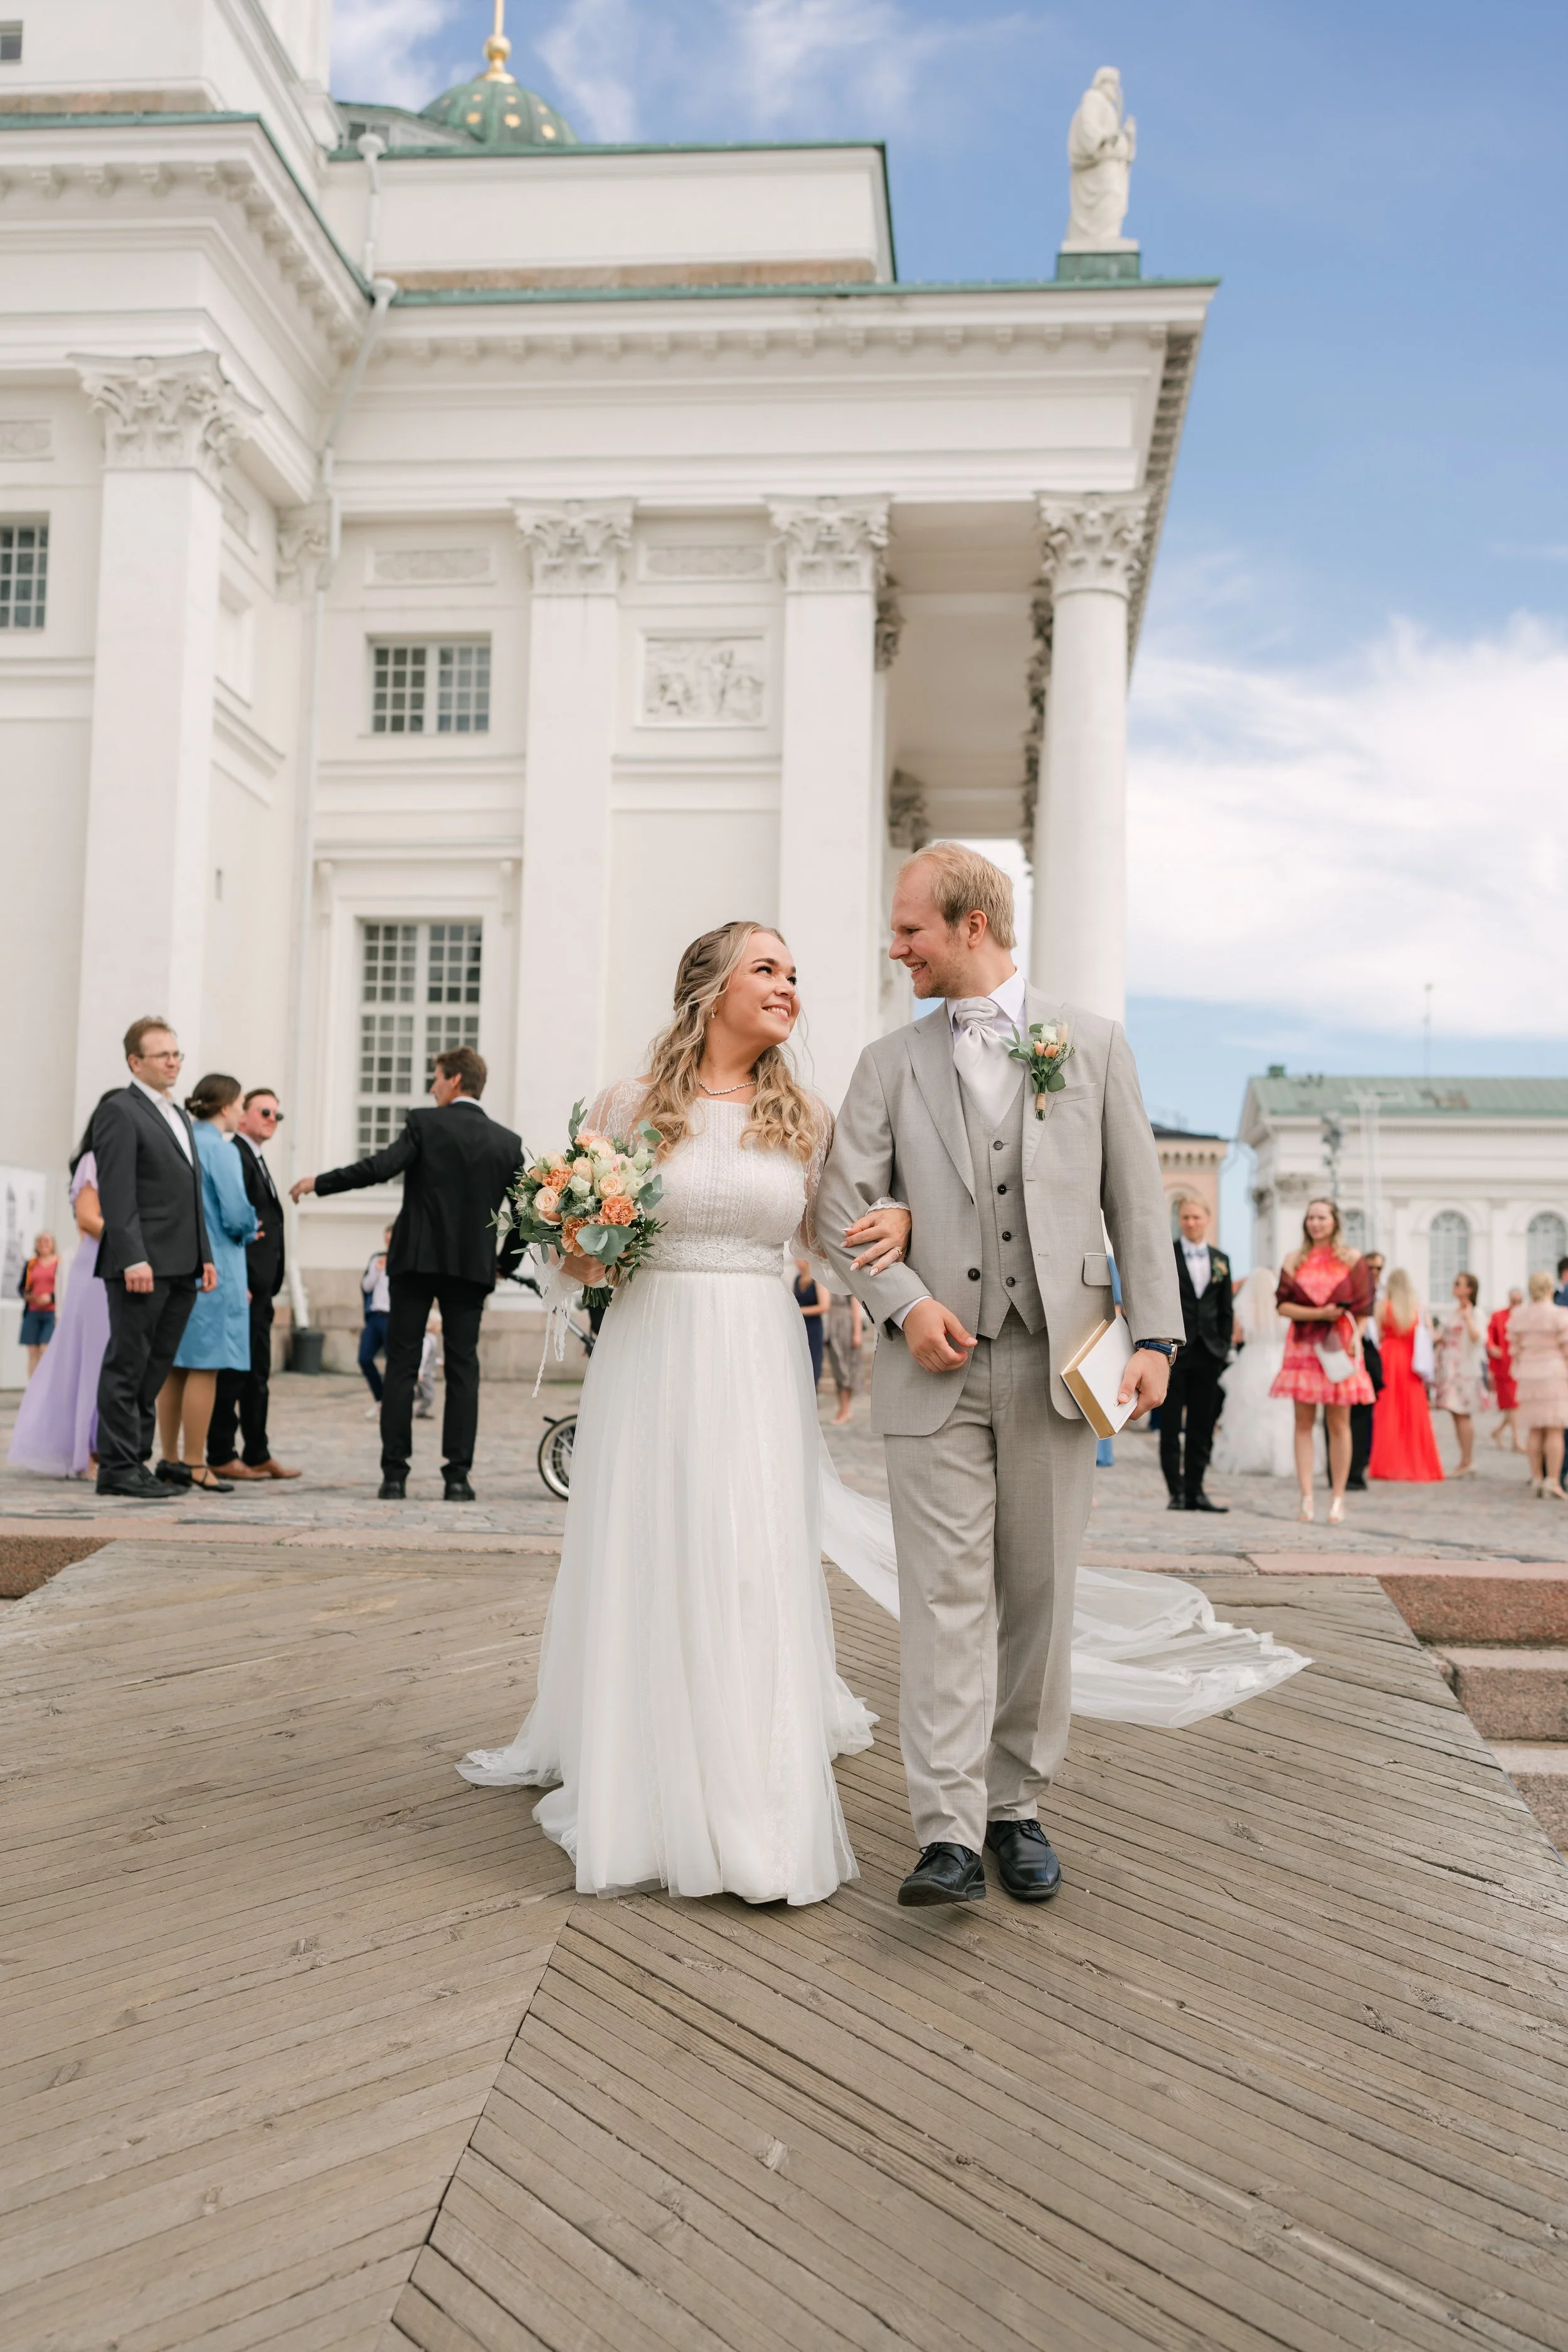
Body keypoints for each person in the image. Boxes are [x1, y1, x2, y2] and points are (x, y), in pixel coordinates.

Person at [458, 914, 1302, 1910]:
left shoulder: (805, 1116)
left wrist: (900, 1224)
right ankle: (642, 1767)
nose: (788, 986)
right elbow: (576, 1261)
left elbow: (851, 1226)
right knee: (654, 1544)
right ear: (709, 987)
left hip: (757, 1351)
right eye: (766, 969)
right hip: (653, 1349)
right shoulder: (628, 1103)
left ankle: (746, 1781)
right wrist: (579, 1229)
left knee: (748, 1555)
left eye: (793, 973)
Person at [817, 842, 1193, 1910]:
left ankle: (1014, 1805)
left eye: (911, 931)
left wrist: (1157, 1342)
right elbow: (845, 1213)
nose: (898, 951)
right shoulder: (887, 1064)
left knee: (1040, 1592)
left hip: (1063, 1361)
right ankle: (943, 1829)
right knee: (943, 1601)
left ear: (970, 927)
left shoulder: (1095, 1046)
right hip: (930, 1368)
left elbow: (1140, 1206)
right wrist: (908, 1303)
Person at [292, 1046, 522, 1502]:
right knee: (463, 1370)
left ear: (455, 1080)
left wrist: (320, 1183)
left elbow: (379, 1169)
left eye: (436, 1077)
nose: (432, 1086)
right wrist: (504, 1262)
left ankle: (394, 1476)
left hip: (415, 1263)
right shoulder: (507, 1142)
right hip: (470, 1270)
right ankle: (458, 1479)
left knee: (401, 1366)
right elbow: (529, 1214)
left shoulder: (424, 1123)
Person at [90, 1019, 215, 1502]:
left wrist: (203, 1255)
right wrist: (133, 1258)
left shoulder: (179, 1116)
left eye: (177, 1054)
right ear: (135, 1062)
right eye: (162, 1054)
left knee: (154, 1369)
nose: (173, 1062)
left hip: (182, 1266)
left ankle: (136, 1463)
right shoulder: (120, 1112)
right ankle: (116, 1469)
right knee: (127, 1365)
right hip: (140, 1268)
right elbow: (117, 1196)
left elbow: (189, 1192)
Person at [156, 1074, 258, 1493]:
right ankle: (197, 1461)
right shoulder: (222, 1149)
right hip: (217, 1264)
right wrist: (252, 1226)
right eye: (240, 1104)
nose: (242, 1111)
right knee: (206, 1364)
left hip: (179, 1261)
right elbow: (235, 1213)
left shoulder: (180, 1138)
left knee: (175, 1362)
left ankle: (169, 1457)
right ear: (225, 1107)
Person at [8, 1111, 114, 1477]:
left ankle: (104, 1446)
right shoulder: (93, 1160)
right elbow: (87, 1219)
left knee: (111, 1360)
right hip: (99, 1265)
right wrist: (131, 1243)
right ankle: (83, 1453)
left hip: (121, 1265)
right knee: (89, 1357)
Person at [206, 1088, 297, 1481]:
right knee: (233, 1372)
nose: (272, 1120)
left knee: (257, 1371)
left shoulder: (256, 1159)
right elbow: (232, 1221)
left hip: (261, 1286)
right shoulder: (234, 1156)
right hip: (242, 1285)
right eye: (264, 1112)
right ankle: (221, 1453)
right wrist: (237, 1277)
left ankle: (257, 1451)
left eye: (278, 1115)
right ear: (241, 1116)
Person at [1271, 1198, 1374, 1525]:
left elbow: (1365, 1307)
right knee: (1303, 1423)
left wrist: (1357, 1341)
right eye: (1311, 1217)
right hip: (1303, 1346)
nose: (1315, 1223)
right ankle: (1306, 1497)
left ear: (1335, 1222)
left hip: (1338, 1344)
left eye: (1322, 1217)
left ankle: (1338, 1498)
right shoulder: (1294, 1259)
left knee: (1339, 1423)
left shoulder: (1352, 1259)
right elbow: (1283, 1306)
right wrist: (1319, 1313)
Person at [1160, 1195, 1234, 1513]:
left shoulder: (1221, 1260)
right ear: (1179, 1220)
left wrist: (1224, 1347)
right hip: (1175, 1352)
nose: (1191, 1222)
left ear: (1208, 1218)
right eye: (1185, 1217)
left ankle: (1196, 1489)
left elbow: (1225, 1310)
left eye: (1196, 1217)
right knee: (1170, 1424)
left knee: (1202, 1425)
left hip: (1209, 1353)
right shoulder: (1167, 1255)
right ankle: (1176, 1492)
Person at [1210, 1267, 1295, 1480]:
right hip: (1277, 1359)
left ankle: (1247, 1455)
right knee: (1280, 1411)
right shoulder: (1282, 1310)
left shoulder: (1245, 1306)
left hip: (1253, 1358)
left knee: (1247, 1407)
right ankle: (1281, 1458)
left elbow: (1237, 1336)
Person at [1368, 1267, 1444, 1484]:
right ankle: (1417, 1461)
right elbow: (1429, 1334)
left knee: (1388, 1411)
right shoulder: (1416, 1308)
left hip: (1389, 1359)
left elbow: (1377, 1333)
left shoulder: (1383, 1306)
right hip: (1410, 1362)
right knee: (1413, 1412)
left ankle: (1387, 1463)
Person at [1509, 1271, 1568, 1502]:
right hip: (1553, 1372)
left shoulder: (1520, 1316)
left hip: (1529, 1372)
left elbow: (1515, 1349)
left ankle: (1535, 1477)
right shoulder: (1559, 1315)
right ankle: (1552, 1480)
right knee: (1554, 1429)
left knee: (1534, 1428)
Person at [1432, 1271, 1487, 1478]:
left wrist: (1468, 1318)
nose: (1454, 1286)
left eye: (1458, 1283)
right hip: (1450, 1370)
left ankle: (1468, 1459)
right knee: (1455, 1414)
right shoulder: (1453, 1312)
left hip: (1464, 1369)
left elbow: (1478, 1338)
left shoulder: (1475, 1313)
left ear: (1469, 1289)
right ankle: (1464, 1458)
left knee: (1463, 1413)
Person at [1347, 1249, 1385, 1489]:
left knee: (1364, 1415)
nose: (1374, 1272)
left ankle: (1357, 1469)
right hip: (1351, 1347)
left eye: (1378, 1268)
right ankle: (1342, 1468)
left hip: (1371, 1353)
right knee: (1342, 1413)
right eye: (1369, 1267)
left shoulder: (1385, 1296)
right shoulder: (1352, 1292)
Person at [359, 1226, 393, 1417]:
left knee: (393, 1362)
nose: (388, 1244)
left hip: (392, 1318)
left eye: (391, 1240)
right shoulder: (377, 1259)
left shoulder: (404, 1260)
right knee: (364, 1358)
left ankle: (392, 1403)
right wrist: (378, 1270)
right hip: (374, 1317)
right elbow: (366, 1286)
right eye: (386, 1240)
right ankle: (380, 1399)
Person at [19, 1232, 59, 1375]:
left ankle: (44, 1390)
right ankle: (32, 1391)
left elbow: (64, 1287)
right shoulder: (31, 1264)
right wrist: (29, 1295)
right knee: (32, 1351)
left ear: (53, 1244)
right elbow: (22, 1287)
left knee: (45, 1350)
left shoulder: (59, 1263)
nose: (43, 1244)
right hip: (33, 1311)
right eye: (40, 1241)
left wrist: (51, 1297)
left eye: (47, 1241)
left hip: (51, 1313)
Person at [1487, 1288, 1522, 1451]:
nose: (1516, 1304)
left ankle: (1498, 1432)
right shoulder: (1499, 1316)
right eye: (1514, 1301)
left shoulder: (1524, 1317)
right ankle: (1515, 1440)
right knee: (1512, 1405)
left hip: (1518, 1366)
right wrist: (1492, 1347)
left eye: (1519, 1301)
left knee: (1514, 1405)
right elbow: (1488, 1336)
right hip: (1503, 1367)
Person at [824, 1289, 866, 1424]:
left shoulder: (845, 1285)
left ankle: (845, 1409)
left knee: (846, 1368)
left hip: (845, 1327)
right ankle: (843, 1408)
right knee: (838, 1369)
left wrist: (858, 1334)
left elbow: (855, 1307)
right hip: (833, 1327)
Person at [793, 1256, 829, 1388]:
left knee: (813, 1362)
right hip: (800, 1327)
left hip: (814, 1327)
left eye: (799, 1259)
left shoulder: (818, 1279)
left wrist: (799, 1311)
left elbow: (824, 1306)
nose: (797, 1261)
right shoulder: (798, 1280)